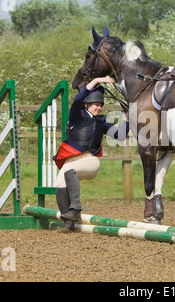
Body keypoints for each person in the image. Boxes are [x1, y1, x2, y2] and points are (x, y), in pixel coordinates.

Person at [53, 76, 129, 233]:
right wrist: (98, 80)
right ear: (86, 105)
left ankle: (75, 209)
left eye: (100, 105)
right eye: (96, 105)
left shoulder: (101, 121)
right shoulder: (76, 116)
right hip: (72, 162)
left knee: (67, 171)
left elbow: (119, 136)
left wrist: (127, 120)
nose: (99, 108)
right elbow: (79, 97)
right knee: (60, 183)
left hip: (90, 161)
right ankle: (69, 223)